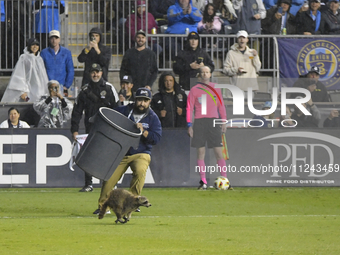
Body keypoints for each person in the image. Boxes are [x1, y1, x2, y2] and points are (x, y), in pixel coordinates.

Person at [94, 87, 162, 214]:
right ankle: (103, 206)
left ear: (150, 102)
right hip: (121, 152)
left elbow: (156, 139)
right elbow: (109, 119)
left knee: (140, 170)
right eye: (139, 100)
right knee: (109, 179)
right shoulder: (123, 110)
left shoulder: (153, 117)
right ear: (134, 100)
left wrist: (144, 132)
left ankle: (134, 203)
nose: (142, 103)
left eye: (145, 101)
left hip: (141, 153)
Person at [71, 63, 119, 192]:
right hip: (90, 128)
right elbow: (77, 111)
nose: (95, 74)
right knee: (89, 156)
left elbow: (118, 109)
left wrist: (116, 128)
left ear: (102, 73)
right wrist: (74, 130)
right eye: (93, 72)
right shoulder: (85, 90)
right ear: (89, 73)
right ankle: (88, 184)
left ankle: (110, 183)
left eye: (97, 72)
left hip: (107, 129)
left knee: (107, 156)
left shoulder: (109, 88)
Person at [187, 66, 228, 189]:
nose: (205, 74)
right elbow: (189, 108)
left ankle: (225, 180)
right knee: (200, 152)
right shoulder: (194, 90)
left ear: (210, 74)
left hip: (213, 122)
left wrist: (223, 121)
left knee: (218, 152)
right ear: (199, 75)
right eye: (203, 72)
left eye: (207, 72)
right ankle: (203, 181)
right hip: (199, 122)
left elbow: (221, 106)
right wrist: (189, 124)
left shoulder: (216, 89)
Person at [1, 38, 49, 103]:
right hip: (27, 90)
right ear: (29, 46)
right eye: (33, 45)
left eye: (37, 45)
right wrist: (22, 91)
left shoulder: (39, 59)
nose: (35, 47)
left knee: (38, 106)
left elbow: (43, 76)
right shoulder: (24, 58)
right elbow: (19, 74)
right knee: (27, 104)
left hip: (39, 90)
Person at [223, 30, 261, 95]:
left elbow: (258, 68)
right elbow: (225, 69)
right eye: (240, 38)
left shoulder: (252, 53)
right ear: (237, 39)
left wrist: (255, 57)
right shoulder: (231, 53)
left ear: (247, 40)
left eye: (244, 38)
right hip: (237, 87)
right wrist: (236, 70)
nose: (242, 40)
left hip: (250, 87)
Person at [40, 30, 74, 96]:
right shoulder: (43, 53)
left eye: (56, 38)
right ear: (49, 39)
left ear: (59, 39)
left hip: (61, 87)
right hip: (47, 87)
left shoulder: (66, 52)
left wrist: (66, 86)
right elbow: (40, 70)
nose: (54, 40)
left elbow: (70, 70)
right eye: (52, 38)